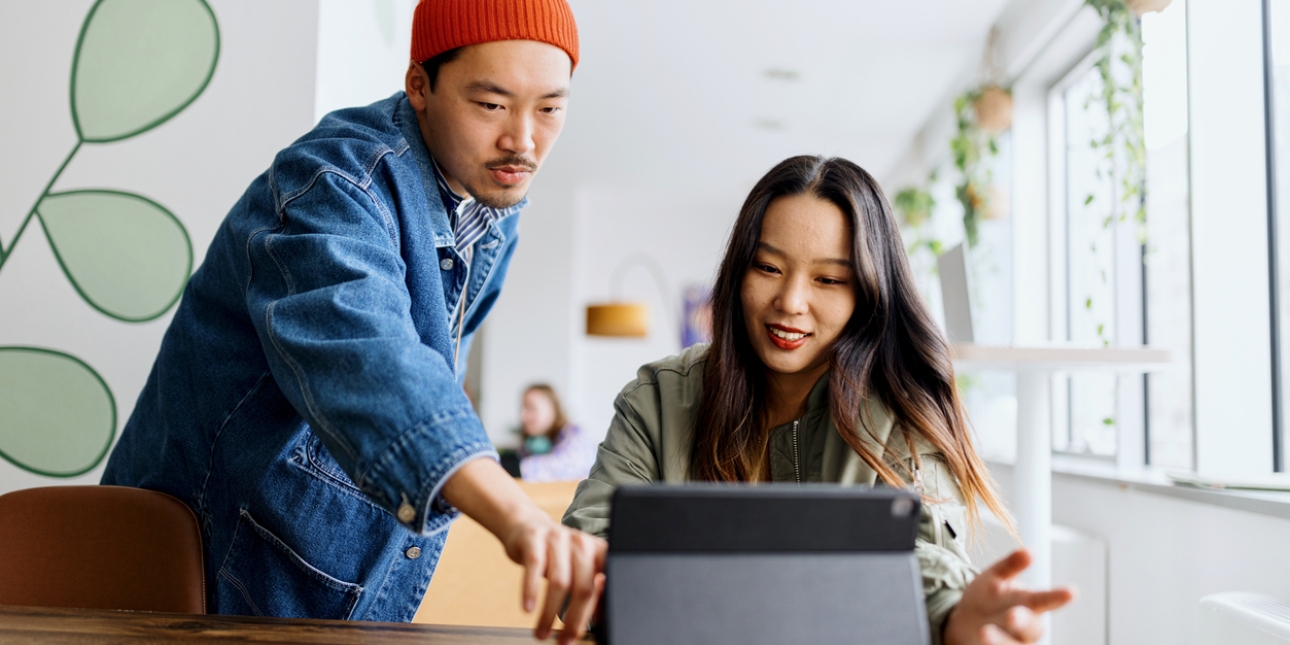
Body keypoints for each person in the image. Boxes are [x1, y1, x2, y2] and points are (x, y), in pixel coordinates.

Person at [101, 2, 604, 642]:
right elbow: (374, 365)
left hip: (331, 588)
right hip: (209, 584)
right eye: (492, 105)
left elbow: (434, 373)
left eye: (550, 108)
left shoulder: (491, 209)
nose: (523, 141)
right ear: (420, 86)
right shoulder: (331, 183)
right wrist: (522, 517)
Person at [563, 156, 1074, 645]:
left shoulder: (903, 408)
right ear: (737, 272)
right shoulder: (657, 397)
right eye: (767, 268)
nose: (790, 302)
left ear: (870, 293)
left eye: (829, 279)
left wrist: (953, 619)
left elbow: (919, 561)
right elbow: (588, 552)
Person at [517, 384, 596, 482]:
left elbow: (569, 469)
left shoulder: (576, 435)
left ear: (553, 409)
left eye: (531, 408)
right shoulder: (529, 444)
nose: (523, 416)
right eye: (522, 408)